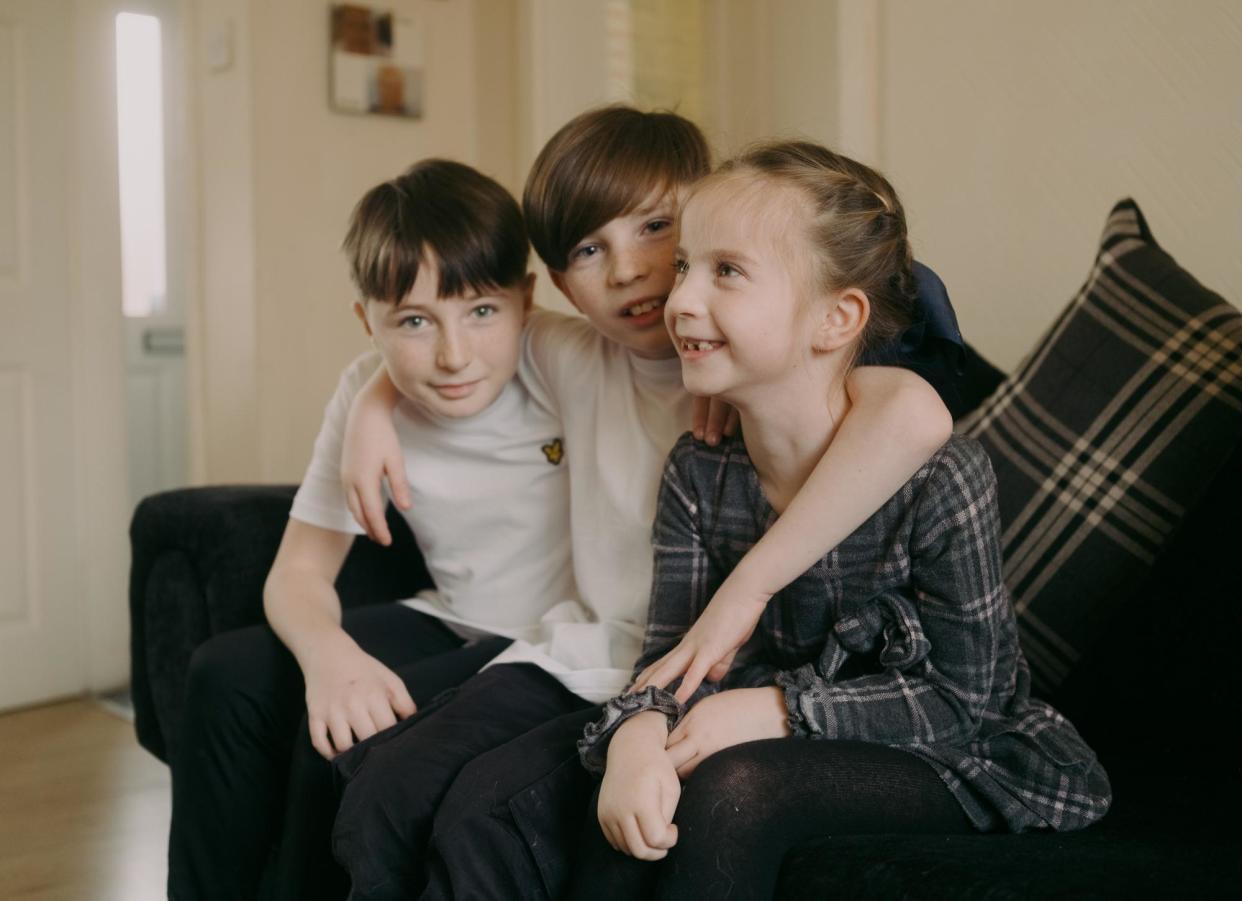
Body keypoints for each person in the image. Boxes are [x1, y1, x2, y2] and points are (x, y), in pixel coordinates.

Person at [332, 106, 962, 900]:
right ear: (559, 281)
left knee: (480, 811)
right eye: (589, 250)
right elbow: (453, 332)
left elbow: (915, 412)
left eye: (661, 233)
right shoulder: (601, 370)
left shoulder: (792, 357)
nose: (632, 272)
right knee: (387, 781)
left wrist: (748, 593)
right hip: (605, 651)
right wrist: (373, 402)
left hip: (707, 672)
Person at [571, 141, 1113, 901]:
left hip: (952, 752)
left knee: (735, 786)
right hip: (762, 725)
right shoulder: (699, 473)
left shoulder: (942, 479)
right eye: (686, 264)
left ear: (837, 320)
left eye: (726, 271)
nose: (682, 299)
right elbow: (672, 655)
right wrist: (634, 739)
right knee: (634, 800)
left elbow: (967, 702)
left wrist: (777, 709)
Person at [166, 159, 575, 901]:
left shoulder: (560, 360)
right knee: (224, 675)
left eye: (482, 311)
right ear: (368, 321)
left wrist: (388, 392)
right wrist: (330, 657)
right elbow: (297, 574)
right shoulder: (364, 384)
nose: (453, 355)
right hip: (454, 617)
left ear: (526, 300)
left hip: (553, 642)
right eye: (414, 321)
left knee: (347, 735)